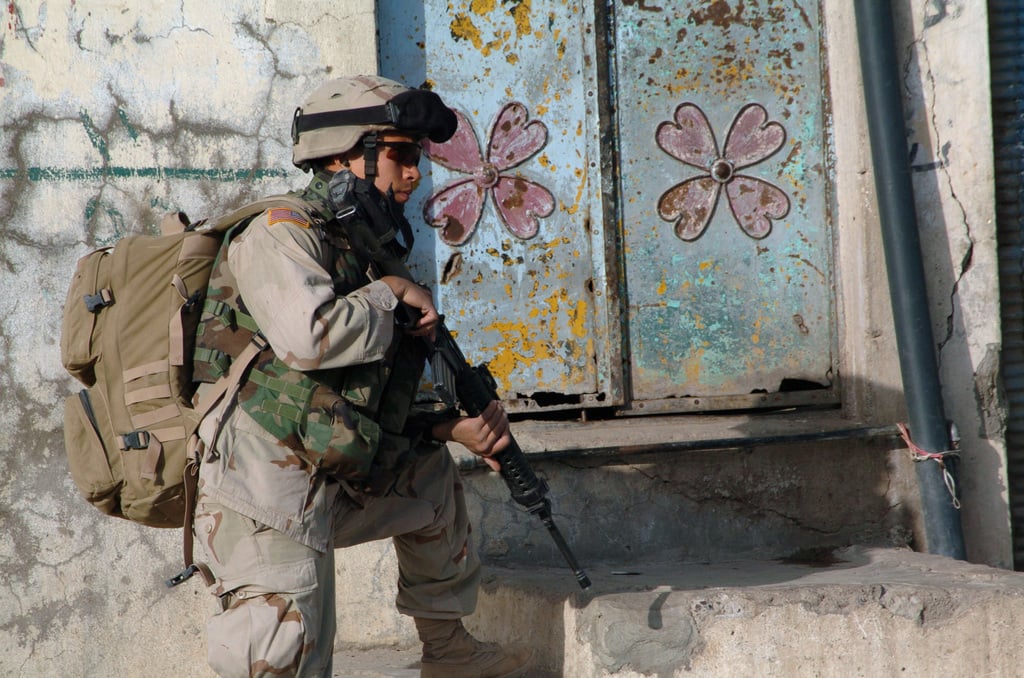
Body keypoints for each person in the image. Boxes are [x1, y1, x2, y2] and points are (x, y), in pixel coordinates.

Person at [189, 75, 534, 678]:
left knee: (431, 481)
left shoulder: (362, 244)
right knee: (288, 662)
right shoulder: (280, 232)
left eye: (417, 158)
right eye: (400, 154)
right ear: (345, 154)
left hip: (331, 469)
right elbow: (308, 336)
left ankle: (449, 653)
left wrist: (454, 426)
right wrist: (392, 292)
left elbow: (371, 384)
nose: (414, 175)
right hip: (262, 493)